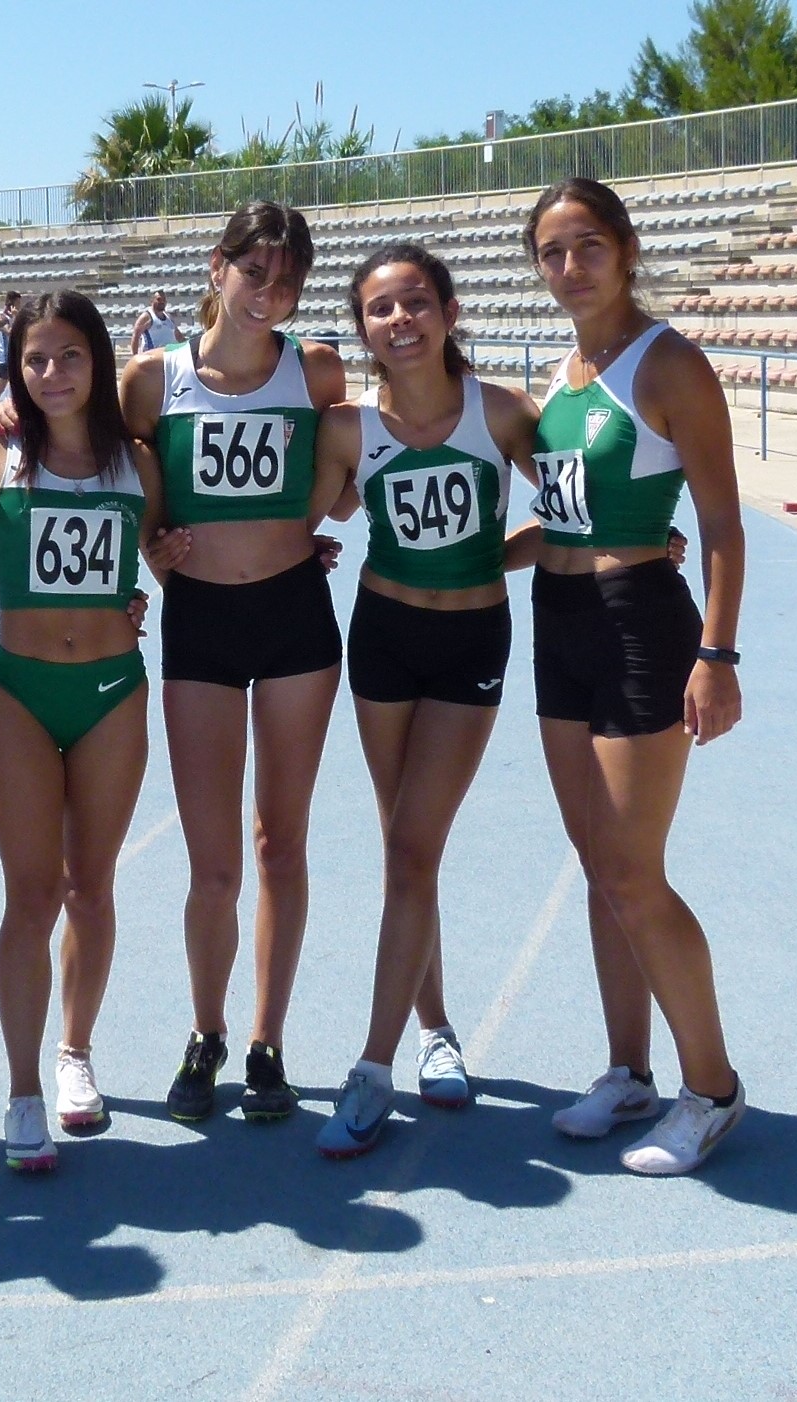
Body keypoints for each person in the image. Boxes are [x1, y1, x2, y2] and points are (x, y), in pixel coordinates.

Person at [524, 178, 747, 1175]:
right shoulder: (566, 373)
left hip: (640, 625)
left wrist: (717, 654)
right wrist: (452, 564)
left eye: (587, 246)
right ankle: (629, 1071)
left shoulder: (670, 364)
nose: (570, 267)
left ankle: (714, 1089)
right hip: (559, 621)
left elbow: (721, 525)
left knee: (631, 869)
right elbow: (562, 521)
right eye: (552, 252)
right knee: (597, 863)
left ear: (625, 249)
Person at [118, 201, 351, 1122]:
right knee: (212, 866)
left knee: (279, 845)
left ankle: (266, 1041)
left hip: (295, 618)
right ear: (218, 267)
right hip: (201, 625)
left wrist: (314, 520)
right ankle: (206, 1030)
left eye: (287, 281)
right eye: (254, 272)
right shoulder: (153, 379)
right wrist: (150, 550)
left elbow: (366, 449)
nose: (269, 294)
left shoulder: (316, 369)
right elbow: (103, 467)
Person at [308, 244, 542, 1158]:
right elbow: (306, 520)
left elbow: (577, 510)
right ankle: (436, 1027)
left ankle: (372, 1070)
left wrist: (498, 557)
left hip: (470, 644)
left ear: (448, 311)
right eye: (380, 309)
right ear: (362, 329)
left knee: (413, 846)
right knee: (405, 843)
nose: (399, 320)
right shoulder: (346, 428)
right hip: (384, 638)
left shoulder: (503, 414)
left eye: (415, 302)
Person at [0, 290, 183, 1171]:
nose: (52, 373)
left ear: (99, 360)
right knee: (31, 895)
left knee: (91, 887)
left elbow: (167, 552)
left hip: (112, 692)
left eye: (70, 356)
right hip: (19, 691)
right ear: (15, 369)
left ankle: (74, 1054)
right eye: (35, 359)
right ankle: (22, 1093)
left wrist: (301, 545)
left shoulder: (139, 462)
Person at [0, 290, 21, 411]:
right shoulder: (1, 317)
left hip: (13, 356)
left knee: (16, 386)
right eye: (17, 303)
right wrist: (16, 317)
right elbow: (10, 332)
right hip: (5, 357)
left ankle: (15, 409)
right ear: (11, 303)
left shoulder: (13, 317)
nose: (19, 306)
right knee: (0, 387)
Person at [129, 289, 183, 355]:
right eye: (159, 299)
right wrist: (135, 356)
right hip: (152, 356)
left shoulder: (169, 317)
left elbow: (179, 336)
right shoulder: (146, 317)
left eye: (164, 299)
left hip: (168, 356)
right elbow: (135, 336)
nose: (162, 302)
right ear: (152, 301)